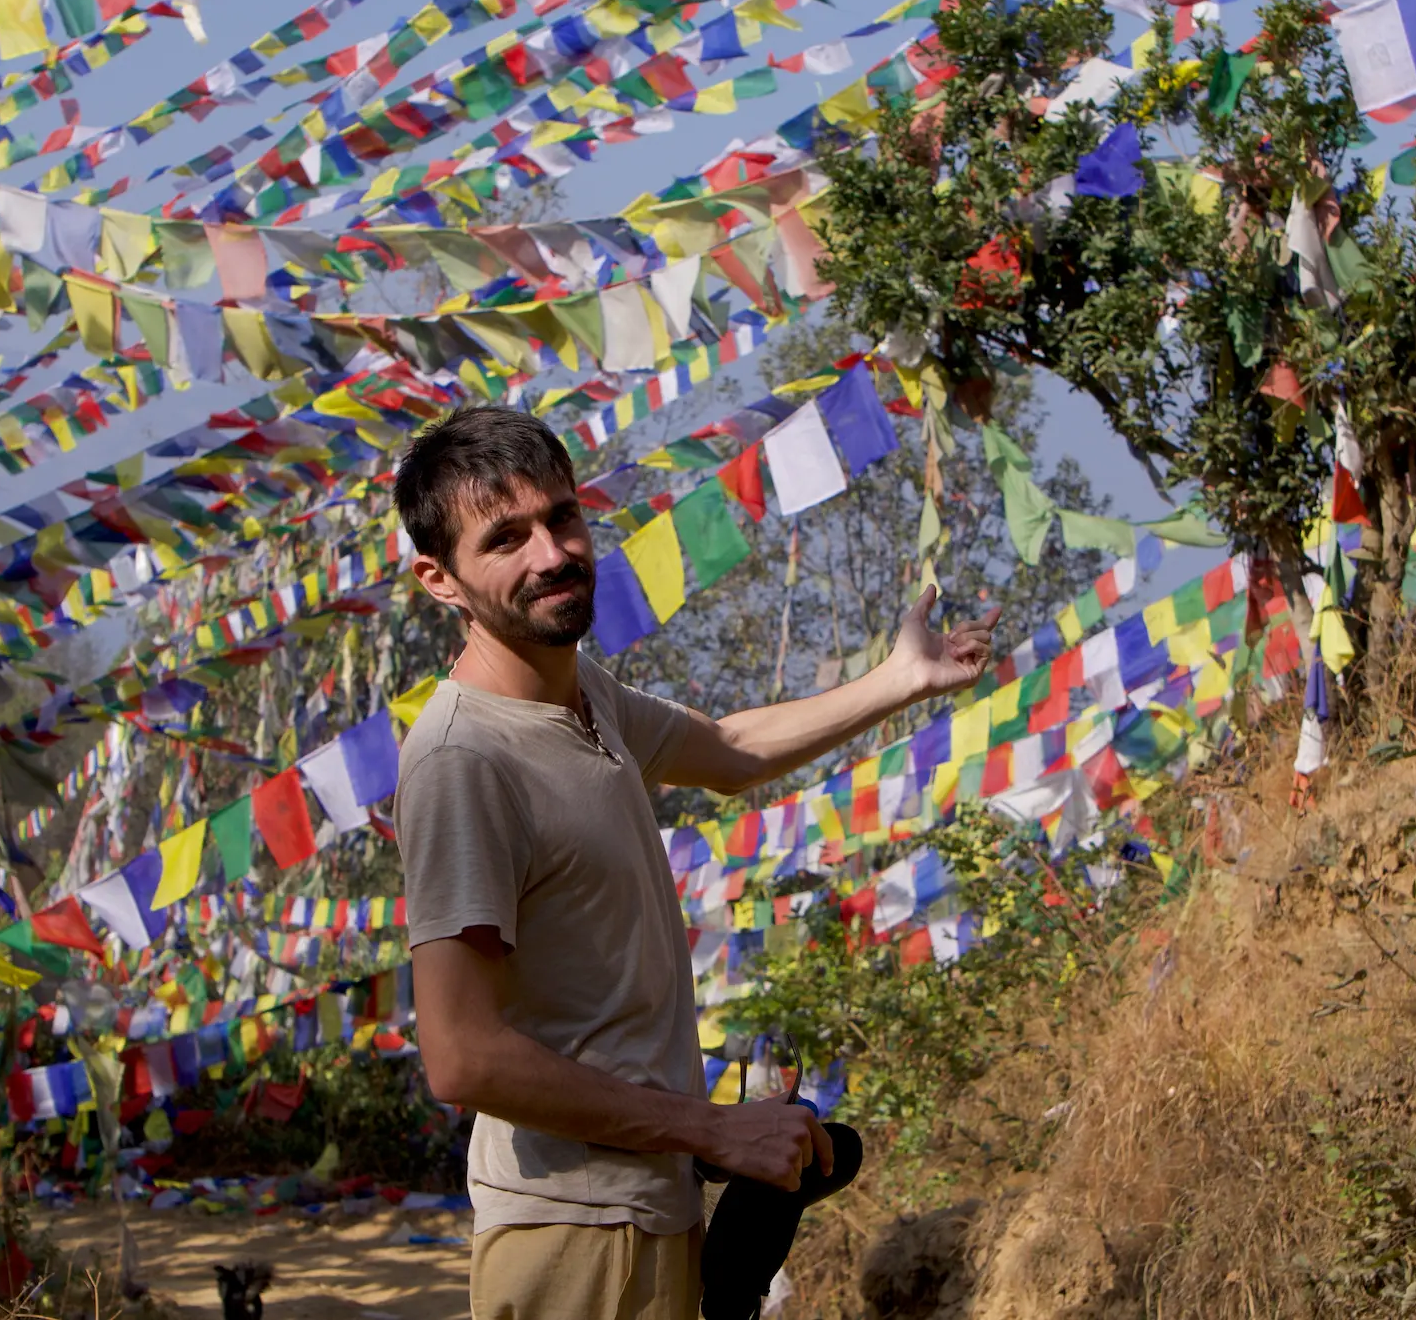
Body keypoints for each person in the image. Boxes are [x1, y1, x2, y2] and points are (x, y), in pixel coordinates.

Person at [393, 406, 999, 1320]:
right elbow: (463, 1055)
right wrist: (714, 1126)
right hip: (572, 1238)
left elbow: (726, 750)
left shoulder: (582, 694)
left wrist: (900, 680)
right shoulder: (463, 760)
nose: (552, 553)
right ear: (440, 579)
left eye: (562, 517)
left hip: (647, 1211)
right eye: (505, 539)